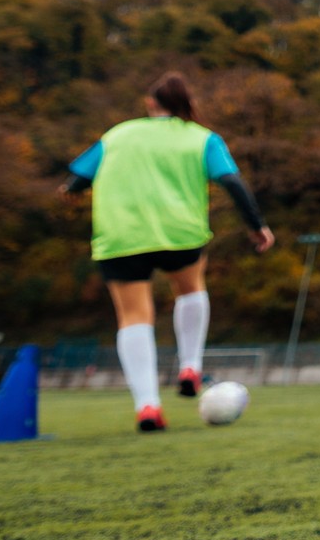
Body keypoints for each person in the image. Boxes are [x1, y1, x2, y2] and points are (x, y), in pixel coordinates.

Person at [61, 72, 274, 431]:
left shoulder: (117, 135)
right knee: (190, 288)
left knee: (133, 317)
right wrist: (256, 226)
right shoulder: (203, 138)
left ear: (150, 103)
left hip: (121, 236)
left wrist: (69, 190)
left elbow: (78, 180)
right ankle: (190, 365)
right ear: (186, 104)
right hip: (180, 234)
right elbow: (232, 181)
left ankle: (148, 408)